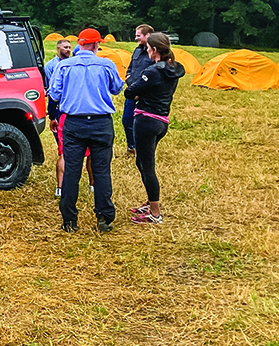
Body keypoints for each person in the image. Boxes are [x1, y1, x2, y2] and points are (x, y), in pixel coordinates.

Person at [49, 28, 124, 233]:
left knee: (72, 171)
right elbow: (117, 88)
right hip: (101, 123)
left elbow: (54, 94)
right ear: (94, 45)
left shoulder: (64, 66)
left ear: (80, 44)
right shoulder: (106, 64)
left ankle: (69, 220)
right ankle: (104, 217)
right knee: (101, 171)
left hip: (74, 123)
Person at [123, 32, 184, 225]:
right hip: (161, 121)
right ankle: (150, 201)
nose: (146, 51)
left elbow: (130, 91)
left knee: (147, 167)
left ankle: (155, 213)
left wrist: (138, 93)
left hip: (146, 121)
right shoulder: (173, 69)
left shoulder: (152, 71)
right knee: (141, 162)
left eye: (148, 48)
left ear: (155, 50)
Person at [46, 39, 95, 199]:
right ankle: (93, 185)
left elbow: (53, 94)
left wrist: (52, 115)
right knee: (92, 153)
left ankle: (61, 188)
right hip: (92, 116)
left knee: (64, 152)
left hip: (66, 115)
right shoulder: (94, 68)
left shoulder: (63, 67)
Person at [122, 24, 155, 157]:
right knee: (127, 120)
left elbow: (154, 76)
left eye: (138, 35)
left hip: (145, 97)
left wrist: (139, 92)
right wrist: (131, 86)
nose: (136, 38)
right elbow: (129, 71)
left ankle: (144, 150)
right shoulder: (136, 51)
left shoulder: (154, 53)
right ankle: (132, 148)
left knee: (143, 124)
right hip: (132, 92)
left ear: (148, 36)